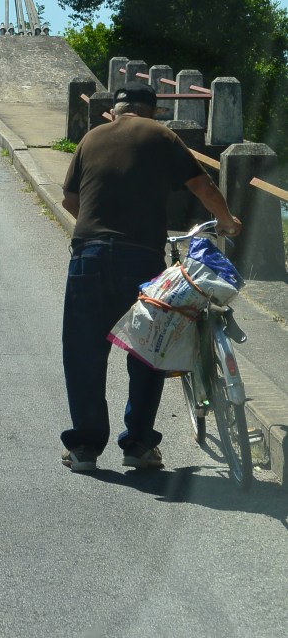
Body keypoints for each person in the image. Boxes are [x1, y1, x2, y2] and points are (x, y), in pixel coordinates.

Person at [59, 82, 241, 473]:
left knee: (84, 353)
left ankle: (84, 449)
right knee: (147, 351)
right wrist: (227, 221)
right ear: (153, 111)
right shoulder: (162, 136)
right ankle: (138, 446)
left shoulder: (91, 139)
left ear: (115, 110)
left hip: (89, 256)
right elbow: (202, 185)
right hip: (141, 259)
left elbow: (70, 200)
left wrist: (98, 231)